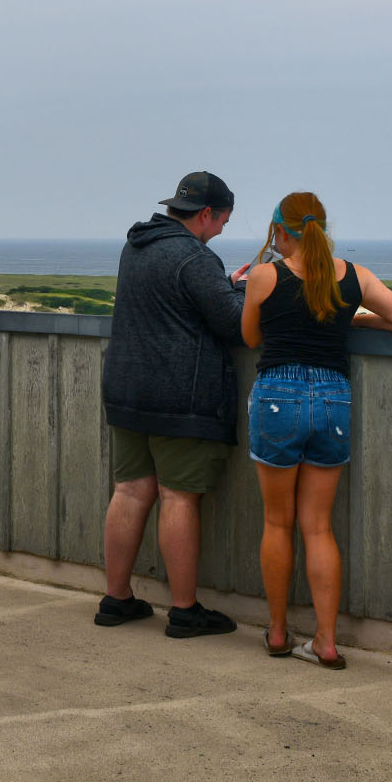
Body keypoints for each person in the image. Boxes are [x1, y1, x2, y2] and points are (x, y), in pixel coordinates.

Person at [240, 192, 392, 668]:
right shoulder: (354, 277)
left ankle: (278, 634)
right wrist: (354, 317)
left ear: (281, 230)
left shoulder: (265, 275)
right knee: (318, 527)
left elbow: (252, 337)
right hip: (333, 397)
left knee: (278, 523)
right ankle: (326, 642)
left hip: (279, 396)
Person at [97, 171, 247, 638]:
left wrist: (220, 283)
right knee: (178, 495)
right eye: (223, 220)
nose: (222, 229)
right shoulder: (194, 257)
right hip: (180, 396)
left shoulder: (136, 246)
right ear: (205, 214)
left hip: (127, 389)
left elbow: (174, 301)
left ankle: (116, 599)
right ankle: (184, 611)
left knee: (129, 491)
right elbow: (236, 324)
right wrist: (244, 289)